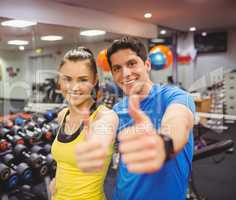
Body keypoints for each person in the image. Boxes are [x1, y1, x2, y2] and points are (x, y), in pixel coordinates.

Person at [77, 37, 195, 200]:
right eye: (117, 68)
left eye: (131, 63)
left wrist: (164, 143)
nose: (125, 73)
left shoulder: (175, 97)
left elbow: (179, 120)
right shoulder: (118, 110)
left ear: (147, 65)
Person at [50, 47, 118, 200]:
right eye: (67, 79)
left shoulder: (105, 116)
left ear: (94, 80)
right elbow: (65, 161)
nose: (74, 87)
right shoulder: (62, 116)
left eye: (82, 80)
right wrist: (57, 180)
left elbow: (98, 144)